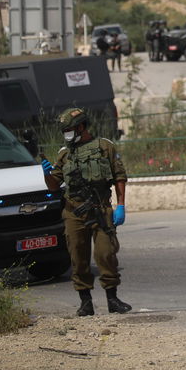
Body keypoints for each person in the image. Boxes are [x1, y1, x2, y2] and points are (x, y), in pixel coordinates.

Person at [42, 107, 132, 316]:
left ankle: (113, 299)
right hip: (74, 212)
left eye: (69, 130)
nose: (66, 134)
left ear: (81, 127)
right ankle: (85, 302)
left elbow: (119, 176)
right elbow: (54, 186)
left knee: (105, 253)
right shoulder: (64, 155)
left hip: (100, 209)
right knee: (78, 256)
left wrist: (121, 205)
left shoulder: (104, 147)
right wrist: (46, 174)